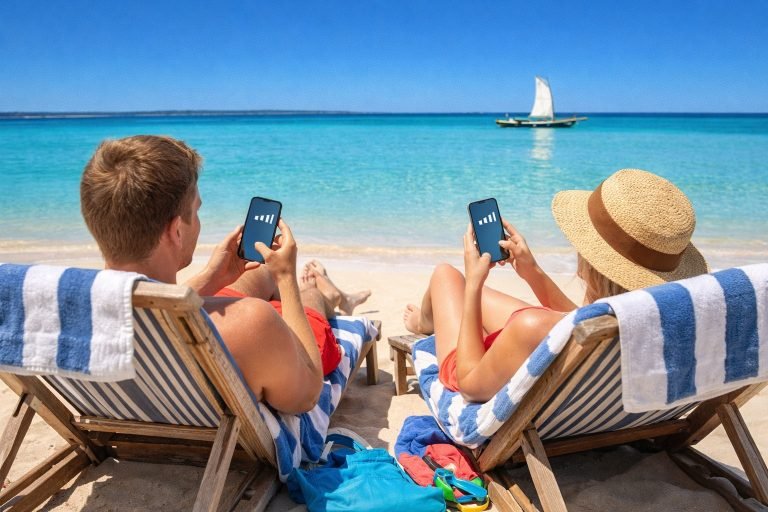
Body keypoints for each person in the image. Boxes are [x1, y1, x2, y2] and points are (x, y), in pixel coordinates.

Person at [80, 135, 369, 414]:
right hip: (255, 345)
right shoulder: (253, 322)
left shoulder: (70, 310)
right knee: (309, 294)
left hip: (184, 317)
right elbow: (307, 395)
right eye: (197, 210)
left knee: (260, 270)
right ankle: (329, 295)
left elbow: (156, 307)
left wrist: (212, 277)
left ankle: (287, 280)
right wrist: (288, 280)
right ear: (176, 231)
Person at [403, 169, 708, 403]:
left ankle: (425, 321)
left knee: (447, 276)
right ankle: (431, 319)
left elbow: (470, 387)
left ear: (589, 261)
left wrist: (474, 284)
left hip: (476, 371)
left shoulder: (530, 325)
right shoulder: (653, 320)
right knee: (468, 290)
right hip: (587, 389)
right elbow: (585, 323)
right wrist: (532, 271)